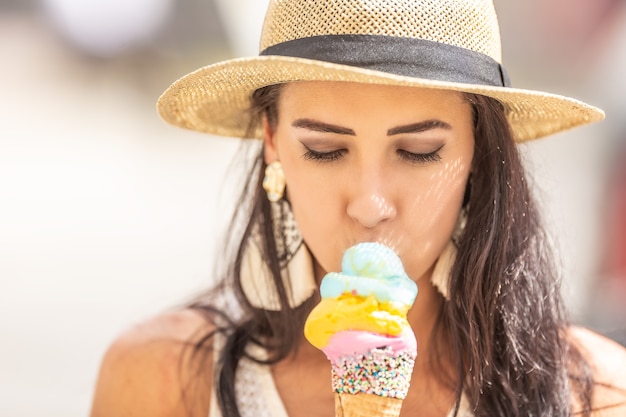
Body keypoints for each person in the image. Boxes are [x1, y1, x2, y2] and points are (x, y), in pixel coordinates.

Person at [89, 0, 626, 416]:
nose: (370, 206)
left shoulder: (596, 396)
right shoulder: (161, 380)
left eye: (419, 152)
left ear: (478, 154)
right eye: (325, 150)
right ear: (272, 142)